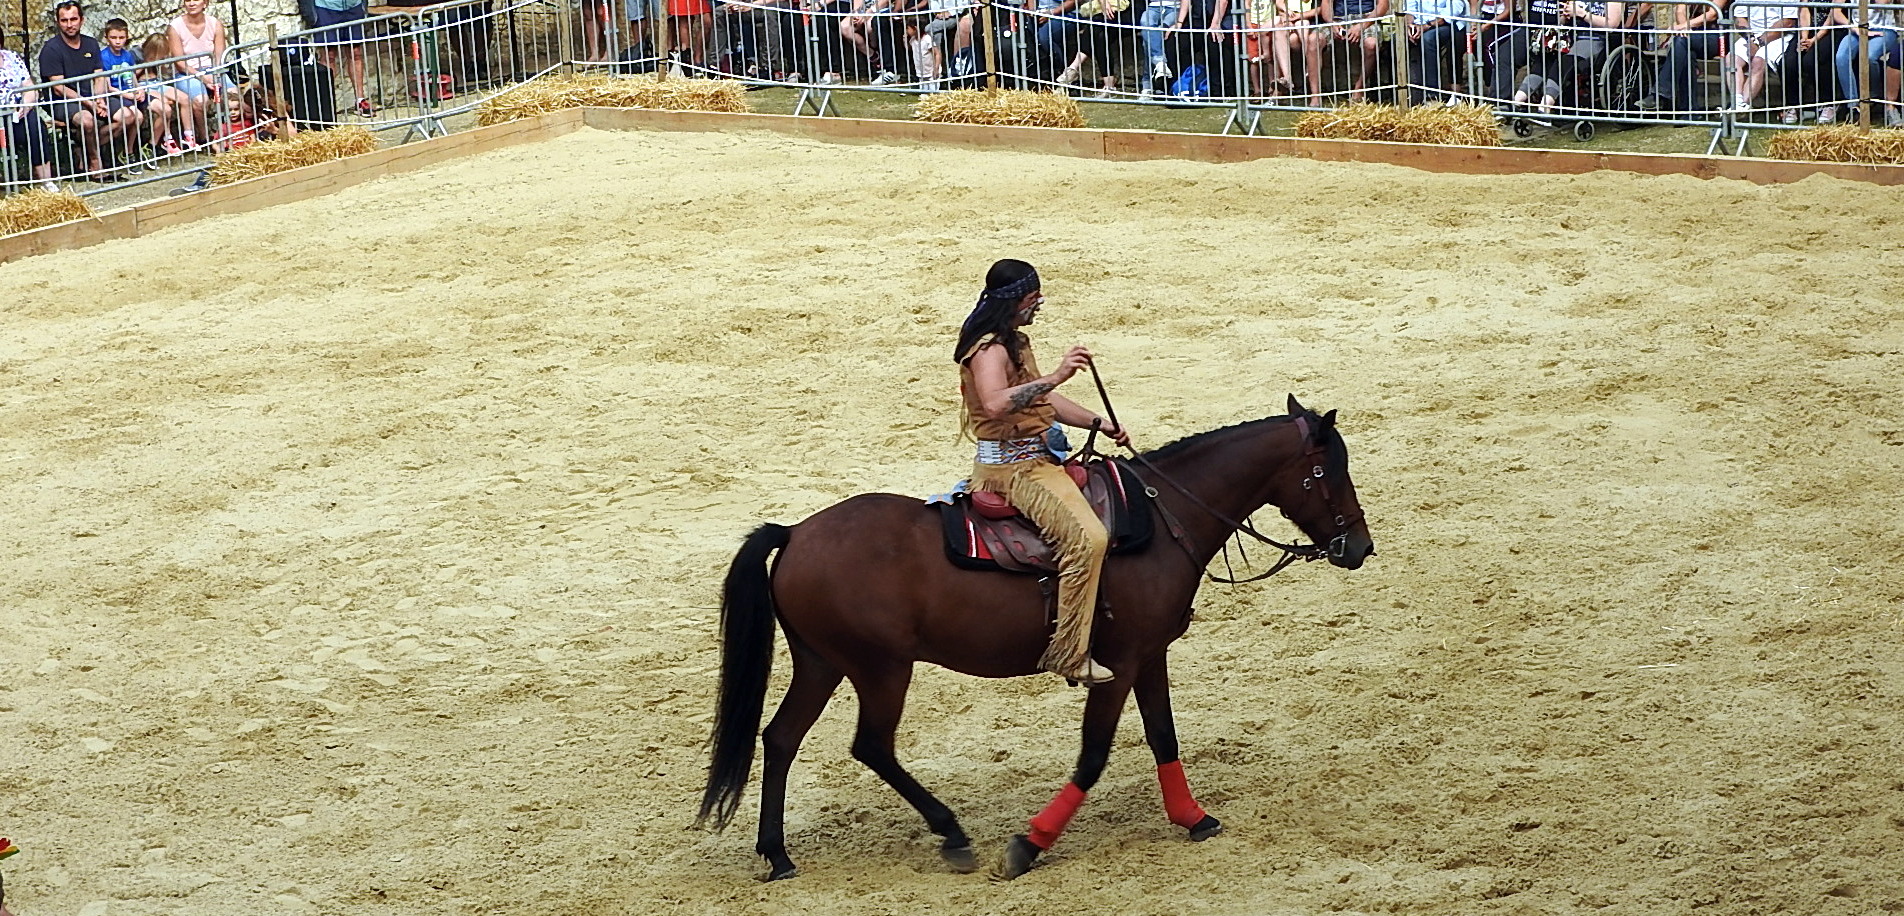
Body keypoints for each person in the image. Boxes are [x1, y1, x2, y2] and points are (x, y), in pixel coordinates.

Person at [955, 259, 1131, 686]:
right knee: (1088, 539)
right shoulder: (989, 350)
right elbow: (997, 403)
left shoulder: (1014, 342)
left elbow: (1043, 403)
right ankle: (1070, 652)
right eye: (1033, 297)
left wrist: (1098, 423)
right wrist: (1056, 374)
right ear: (1014, 301)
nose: (1039, 304)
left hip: (1037, 457)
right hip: (1014, 470)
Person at [39, 0, 139, 180]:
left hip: (91, 94)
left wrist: (99, 98)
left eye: (73, 19)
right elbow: (59, 87)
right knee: (87, 120)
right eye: (64, 20)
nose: (69, 24)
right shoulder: (51, 49)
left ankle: (82, 149)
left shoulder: (91, 44)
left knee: (128, 116)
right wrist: (88, 103)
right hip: (62, 101)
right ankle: (95, 161)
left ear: (81, 20)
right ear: (58, 22)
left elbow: (99, 75)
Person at [1636, 0, 1729, 114]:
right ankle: (1690, 111)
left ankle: (1660, 95)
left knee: (1681, 42)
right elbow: (1680, 10)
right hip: (1694, 34)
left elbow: (1712, 14)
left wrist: (1683, 26)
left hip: (1718, 37)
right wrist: (1685, 29)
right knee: (1684, 48)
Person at [2, 45, 59, 191]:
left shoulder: (11, 57)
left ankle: (46, 181)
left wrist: (25, 106)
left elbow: (29, 86)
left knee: (35, 126)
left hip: (16, 114)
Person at [1729, 0, 1797, 114]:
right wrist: (1750, 39)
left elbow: (1788, 22)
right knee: (1731, 59)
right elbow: (1739, 19)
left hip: (1780, 36)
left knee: (1758, 61)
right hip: (1752, 35)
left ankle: (1742, 107)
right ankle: (1737, 103)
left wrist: (1759, 42)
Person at [98, 18, 150, 164]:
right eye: (113, 38)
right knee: (127, 117)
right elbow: (107, 86)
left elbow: (132, 76)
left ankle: (128, 151)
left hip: (128, 94)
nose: (118, 41)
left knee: (138, 117)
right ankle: (103, 151)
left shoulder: (127, 55)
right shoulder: (104, 57)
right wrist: (126, 94)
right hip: (114, 95)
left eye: (121, 38)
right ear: (107, 38)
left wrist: (139, 89)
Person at [311, 0, 373, 117]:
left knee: (355, 53)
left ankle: (360, 100)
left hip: (353, 6)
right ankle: (326, 104)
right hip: (325, 8)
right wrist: (310, 14)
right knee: (329, 55)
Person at [1321, 0, 1390, 102]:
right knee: (1314, 40)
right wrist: (1331, 23)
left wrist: (1361, 26)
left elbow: (1383, 5)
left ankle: (1359, 87)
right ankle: (1315, 95)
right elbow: (1326, 3)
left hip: (1366, 18)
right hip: (1338, 19)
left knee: (1371, 44)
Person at [1400, 0, 1463, 103]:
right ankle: (1404, 97)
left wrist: (1426, 26)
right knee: (1397, 39)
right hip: (1419, 24)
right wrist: (1409, 26)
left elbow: (1453, 11)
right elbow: (1409, 10)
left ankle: (1432, 96)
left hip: (1446, 25)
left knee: (1428, 39)